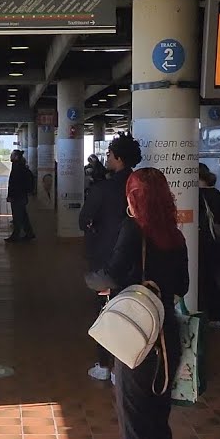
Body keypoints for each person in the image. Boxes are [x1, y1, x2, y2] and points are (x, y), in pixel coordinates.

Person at [95, 168, 189, 439]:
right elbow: (182, 285)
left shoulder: (134, 230)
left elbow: (110, 274)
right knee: (159, 426)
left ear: (135, 198)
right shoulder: (175, 235)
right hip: (168, 339)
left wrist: (96, 282)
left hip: (139, 341)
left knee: (135, 429)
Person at [79, 133, 142, 382]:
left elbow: (84, 220)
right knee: (132, 311)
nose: (107, 157)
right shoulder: (141, 185)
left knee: (106, 312)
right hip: (138, 259)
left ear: (118, 158)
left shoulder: (103, 188)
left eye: (109, 154)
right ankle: (125, 366)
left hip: (107, 260)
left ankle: (105, 365)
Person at [198, 164, 220, 329]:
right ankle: (218, 316)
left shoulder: (197, 194)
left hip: (201, 241)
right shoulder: (216, 193)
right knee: (213, 280)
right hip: (214, 242)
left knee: (202, 278)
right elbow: (219, 222)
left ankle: (200, 315)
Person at [5, 150, 36, 242]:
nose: (10, 157)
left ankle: (16, 235)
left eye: (12, 155)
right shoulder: (20, 166)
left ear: (16, 157)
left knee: (17, 217)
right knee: (23, 216)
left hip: (18, 197)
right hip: (21, 196)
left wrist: (11, 196)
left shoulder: (17, 168)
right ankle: (29, 233)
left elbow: (14, 184)